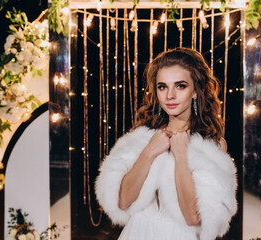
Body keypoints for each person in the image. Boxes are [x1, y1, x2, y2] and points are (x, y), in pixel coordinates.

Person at [95, 47, 237, 240]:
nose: (170, 95)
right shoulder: (142, 138)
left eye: (180, 86)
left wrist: (181, 156)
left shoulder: (211, 146)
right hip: (138, 233)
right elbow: (122, 202)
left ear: (196, 90)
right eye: (162, 87)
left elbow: (192, 217)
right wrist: (148, 153)